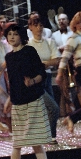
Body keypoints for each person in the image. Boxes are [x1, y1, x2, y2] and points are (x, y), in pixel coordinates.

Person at [3, 22, 51, 159]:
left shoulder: (29, 51)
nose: (12, 37)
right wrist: (9, 99)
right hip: (18, 103)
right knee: (17, 143)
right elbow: (12, 82)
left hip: (33, 101)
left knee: (36, 142)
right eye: (9, 34)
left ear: (21, 36)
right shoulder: (9, 57)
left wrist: (32, 81)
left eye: (15, 34)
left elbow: (42, 73)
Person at [26, 14, 60, 142]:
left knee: (50, 108)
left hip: (47, 77)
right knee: (51, 108)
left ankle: (49, 136)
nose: (39, 28)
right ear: (30, 27)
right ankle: (49, 136)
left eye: (40, 25)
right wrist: (43, 64)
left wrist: (43, 64)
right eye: (35, 25)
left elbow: (56, 60)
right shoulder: (28, 44)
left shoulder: (49, 42)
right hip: (35, 80)